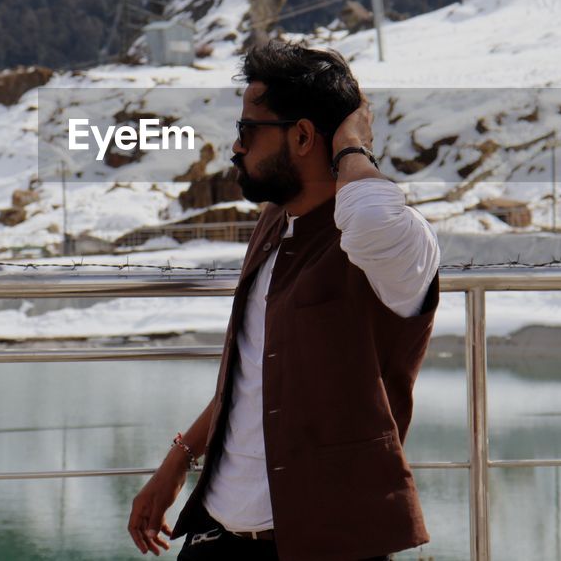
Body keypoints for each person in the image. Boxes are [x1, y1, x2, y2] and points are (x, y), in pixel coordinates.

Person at [127, 40, 441, 560]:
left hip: (326, 544)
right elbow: (253, 374)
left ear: (301, 136)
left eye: (248, 130)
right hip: (217, 536)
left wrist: (351, 145)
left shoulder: (391, 244)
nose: (236, 147)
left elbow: (368, 221)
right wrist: (178, 460)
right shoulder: (274, 222)